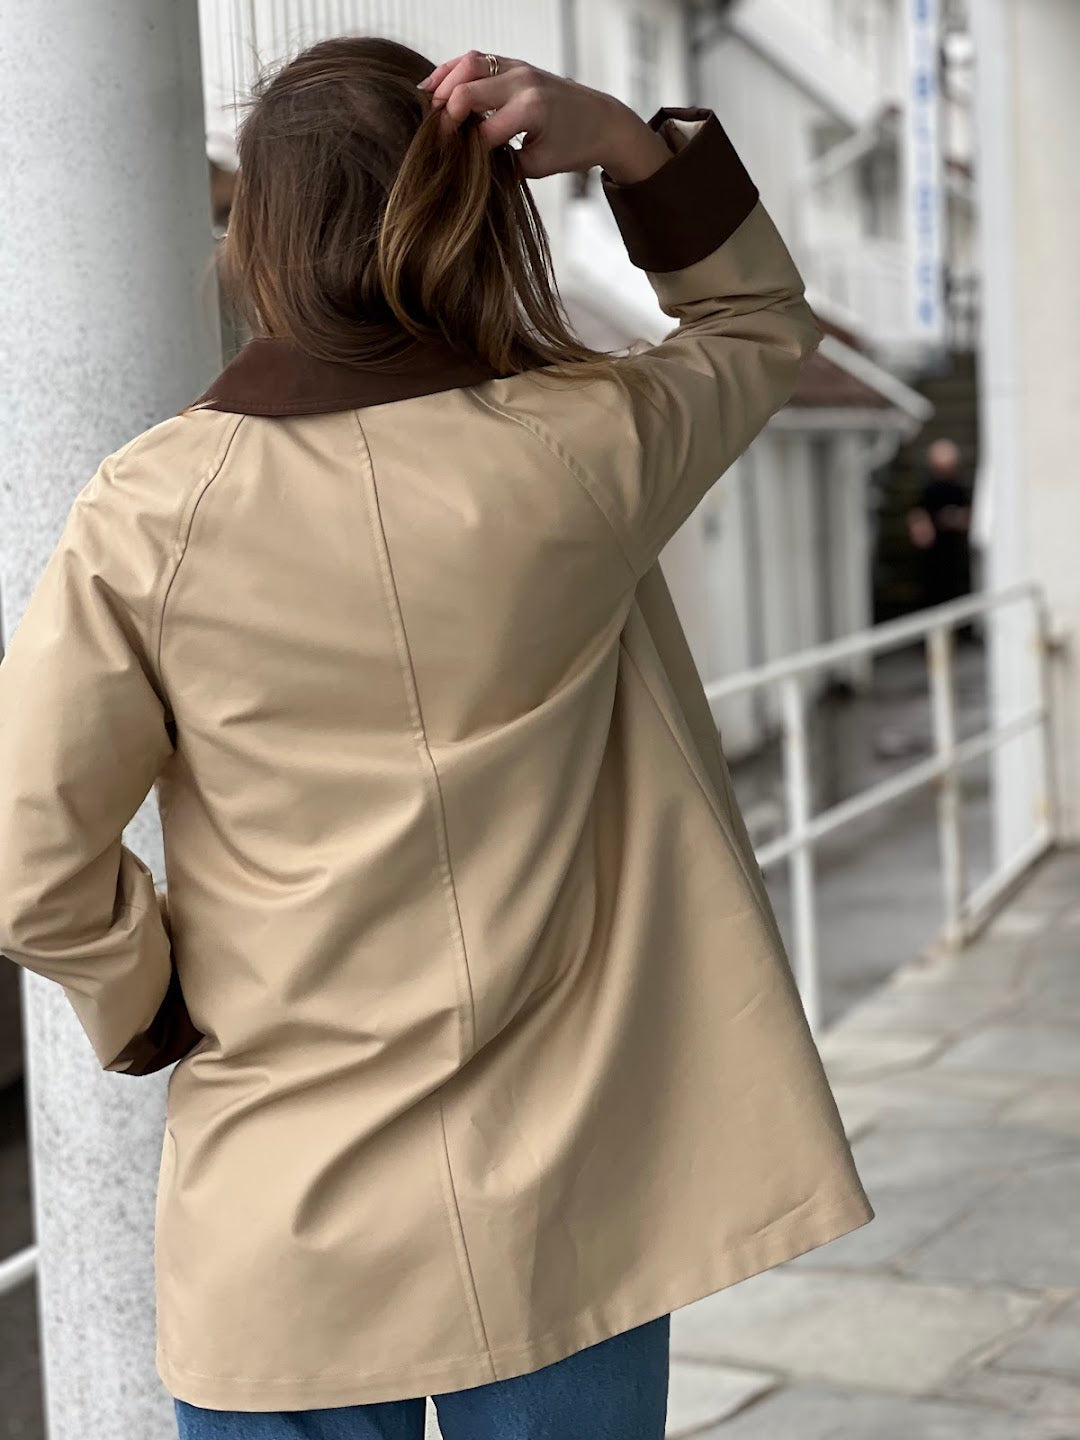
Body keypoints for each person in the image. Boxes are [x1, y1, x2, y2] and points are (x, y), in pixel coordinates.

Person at [0, 38, 874, 1440]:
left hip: (280, 1212)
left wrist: (147, 1003)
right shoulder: (582, 448)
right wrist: (628, 144)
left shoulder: (150, 512)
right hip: (567, 1200)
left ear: (256, 237)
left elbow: (32, 865)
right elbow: (758, 318)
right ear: (473, 211)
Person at [906, 437, 974, 610]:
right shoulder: (928, 491)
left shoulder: (959, 490)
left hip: (954, 557)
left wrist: (955, 519)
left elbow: (968, 516)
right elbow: (917, 516)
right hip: (932, 560)